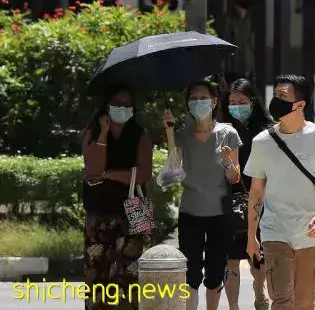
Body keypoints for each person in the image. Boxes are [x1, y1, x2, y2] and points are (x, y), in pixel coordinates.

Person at [244, 74, 315, 310]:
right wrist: (251, 237)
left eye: (282, 96)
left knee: (304, 302)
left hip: (309, 232)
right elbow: (256, 192)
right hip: (274, 230)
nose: (275, 101)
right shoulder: (262, 142)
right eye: (275, 95)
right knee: (281, 300)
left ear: (300, 105)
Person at [168, 81, 243, 310]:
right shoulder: (182, 134)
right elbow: (173, 169)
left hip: (219, 214)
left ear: (213, 101)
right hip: (190, 211)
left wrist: (228, 161)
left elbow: (234, 177)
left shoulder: (227, 133)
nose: (197, 102)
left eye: (203, 98)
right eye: (193, 98)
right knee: (190, 272)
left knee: (215, 271)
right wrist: (169, 132)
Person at [82, 84, 153, 310]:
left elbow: (144, 173)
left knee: (127, 277)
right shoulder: (93, 132)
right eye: (118, 103)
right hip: (98, 215)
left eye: (128, 104)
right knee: (97, 277)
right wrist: (103, 132)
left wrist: (108, 174)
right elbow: (93, 169)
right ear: (107, 105)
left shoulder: (139, 134)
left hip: (129, 216)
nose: (123, 108)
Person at [220, 78, 274, 310]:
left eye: (242, 102)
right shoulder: (222, 130)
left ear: (253, 102)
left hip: (262, 198)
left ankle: (260, 292)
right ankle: (233, 306)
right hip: (228, 198)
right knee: (230, 258)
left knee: (258, 252)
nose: (237, 106)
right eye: (232, 102)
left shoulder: (268, 131)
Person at [221, 0, 256, 83]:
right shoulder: (227, 19)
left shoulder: (249, 19)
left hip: (247, 71)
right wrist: (222, 73)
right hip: (232, 71)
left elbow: (251, 46)